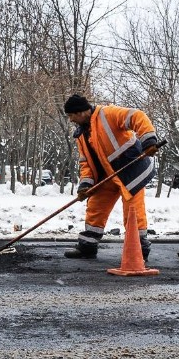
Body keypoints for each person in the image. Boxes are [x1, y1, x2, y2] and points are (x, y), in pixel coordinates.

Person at [62, 94, 160, 261]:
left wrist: (148, 140)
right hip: (107, 176)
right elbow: (86, 163)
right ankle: (87, 246)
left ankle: (139, 250)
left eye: (71, 116)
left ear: (81, 112)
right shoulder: (81, 135)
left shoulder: (107, 113)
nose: (70, 120)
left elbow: (137, 116)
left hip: (131, 171)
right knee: (95, 207)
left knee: (133, 212)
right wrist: (85, 185)